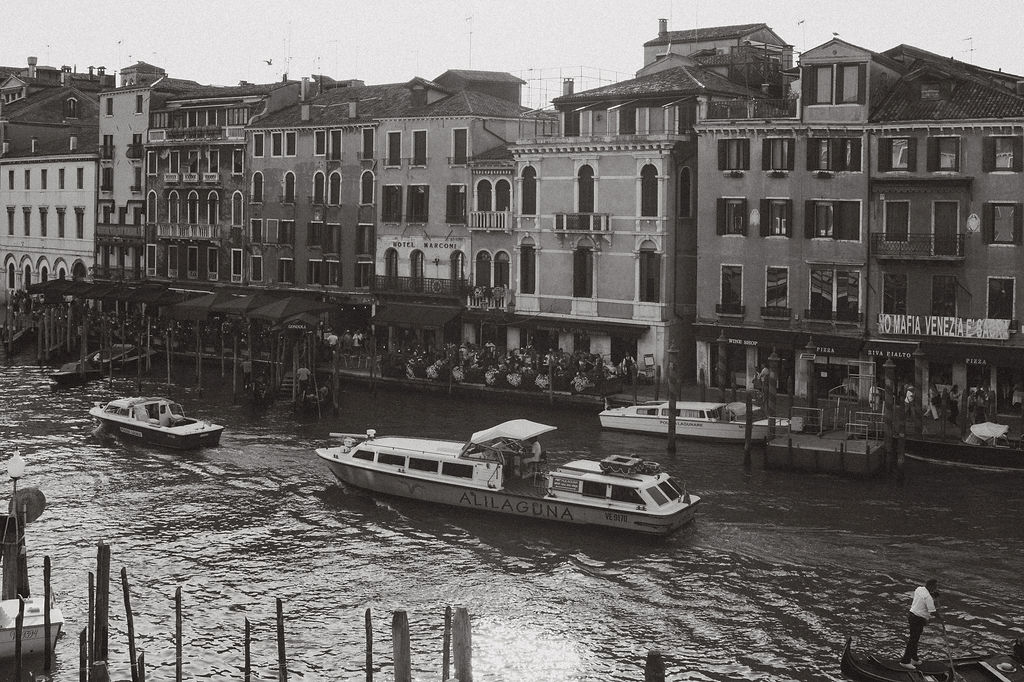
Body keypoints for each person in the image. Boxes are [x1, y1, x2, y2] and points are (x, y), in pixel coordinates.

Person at [900, 579, 940, 669]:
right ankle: (905, 661)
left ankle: (914, 658)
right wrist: (941, 618)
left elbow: (924, 596)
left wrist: (932, 595)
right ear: (931, 586)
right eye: (935, 586)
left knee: (915, 639)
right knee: (913, 640)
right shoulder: (929, 598)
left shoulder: (919, 589)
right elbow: (933, 611)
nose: (937, 588)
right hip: (918, 619)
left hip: (912, 616)